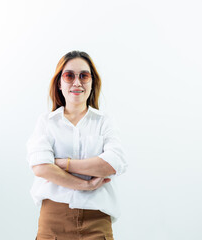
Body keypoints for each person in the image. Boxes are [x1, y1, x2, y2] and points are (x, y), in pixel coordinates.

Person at [26, 50, 127, 240]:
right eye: (69, 75)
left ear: (92, 82)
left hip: (97, 221)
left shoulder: (104, 122)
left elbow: (114, 163)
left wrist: (62, 163)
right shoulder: (46, 122)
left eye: (84, 75)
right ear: (59, 83)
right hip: (53, 221)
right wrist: (85, 184)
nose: (77, 82)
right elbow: (40, 167)